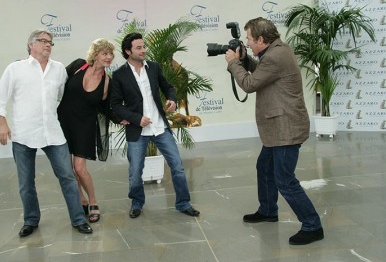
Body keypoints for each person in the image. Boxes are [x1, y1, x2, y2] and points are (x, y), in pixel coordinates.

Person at [224, 17, 324, 245]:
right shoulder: (276, 50)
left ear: (261, 38)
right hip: (278, 127)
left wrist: (233, 63)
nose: (247, 43)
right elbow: (262, 71)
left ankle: (312, 225)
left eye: (249, 39)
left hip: (285, 129)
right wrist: (245, 60)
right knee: (264, 167)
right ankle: (268, 210)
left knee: (285, 180)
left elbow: (250, 84)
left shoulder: (276, 56)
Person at [0, 29, 93, 237]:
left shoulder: (59, 69)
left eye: (50, 42)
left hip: (53, 133)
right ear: (31, 45)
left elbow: (61, 98)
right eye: (43, 41)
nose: (48, 44)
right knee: (26, 182)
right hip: (23, 134)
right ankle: (31, 220)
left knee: (67, 177)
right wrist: (2, 124)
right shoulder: (15, 69)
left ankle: (78, 219)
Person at [110, 32, 200, 219]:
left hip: (160, 128)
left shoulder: (154, 68)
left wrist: (172, 99)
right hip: (137, 130)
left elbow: (168, 87)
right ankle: (137, 203)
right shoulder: (119, 75)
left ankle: (183, 203)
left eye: (144, 47)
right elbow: (116, 105)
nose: (143, 50)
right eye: (139, 48)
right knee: (135, 171)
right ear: (128, 51)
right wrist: (136, 118)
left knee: (177, 165)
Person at [57, 38, 117, 223]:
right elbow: (55, 83)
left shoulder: (107, 82)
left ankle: (92, 200)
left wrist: (125, 119)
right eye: (104, 53)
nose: (109, 57)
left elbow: (106, 108)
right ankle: (81, 198)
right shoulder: (78, 66)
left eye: (110, 54)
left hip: (84, 126)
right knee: (67, 169)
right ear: (95, 55)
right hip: (63, 122)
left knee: (79, 168)